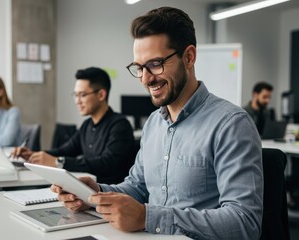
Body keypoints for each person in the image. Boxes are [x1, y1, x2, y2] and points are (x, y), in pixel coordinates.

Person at [52, 7, 263, 239]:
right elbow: (138, 187)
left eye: (155, 64)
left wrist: (147, 217)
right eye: (139, 68)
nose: (145, 78)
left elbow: (245, 222)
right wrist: (95, 193)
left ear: (189, 57)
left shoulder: (231, 124)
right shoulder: (154, 124)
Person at [12, 67, 135, 184]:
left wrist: (58, 162)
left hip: (110, 193)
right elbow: (65, 150)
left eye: (82, 95)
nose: (77, 101)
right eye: (75, 95)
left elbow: (106, 164)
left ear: (101, 95)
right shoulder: (87, 125)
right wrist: (34, 154)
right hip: (88, 189)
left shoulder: (120, 125)